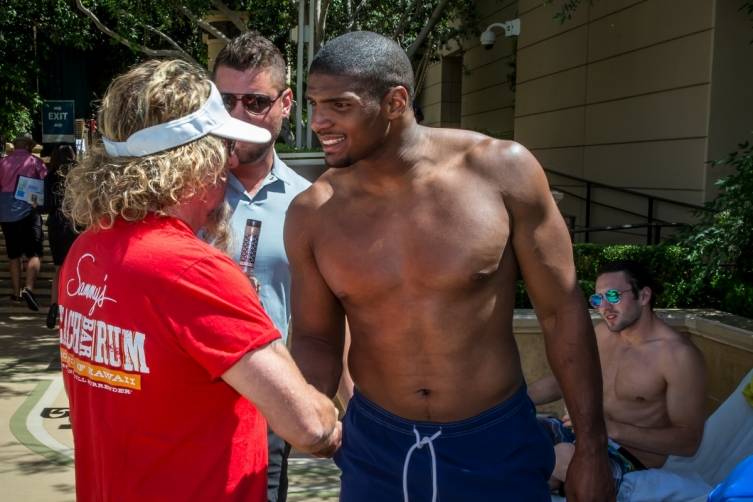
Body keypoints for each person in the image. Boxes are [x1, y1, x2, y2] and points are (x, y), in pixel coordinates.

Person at [286, 31, 613, 502]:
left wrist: (592, 446)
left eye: (339, 105)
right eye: (315, 103)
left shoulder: (503, 171)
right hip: (377, 445)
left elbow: (562, 311)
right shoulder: (313, 212)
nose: (319, 122)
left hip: (495, 441)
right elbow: (317, 337)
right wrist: (310, 407)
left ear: (395, 101)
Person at [59, 59, 340, 502]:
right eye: (222, 151)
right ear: (194, 163)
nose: (229, 166)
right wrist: (334, 415)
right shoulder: (193, 271)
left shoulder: (88, 250)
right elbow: (311, 428)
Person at [212, 31, 315, 502]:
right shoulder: (184, 194)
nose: (236, 116)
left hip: (265, 408)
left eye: (254, 102)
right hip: (185, 402)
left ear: (285, 103)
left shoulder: (309, 203)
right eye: (225, 100)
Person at [530, 260, 707, 493]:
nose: (604, 307)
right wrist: (511, 401)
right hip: (581, 435)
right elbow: (566, 379)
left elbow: (688, 441)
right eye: (597, 299)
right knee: (511, 430)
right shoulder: (603, 333)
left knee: (561, 456)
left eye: (613, 296)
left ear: (643, 296)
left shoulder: (677, 356)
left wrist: (609, 429)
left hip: (629, 458)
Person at [0, 134, 47, 310]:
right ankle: (29, 288)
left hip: (6, 214)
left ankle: (16, 293)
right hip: (29, 211)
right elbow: (44, 183)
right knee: (34, 253)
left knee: (13, 255)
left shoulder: (2, 162)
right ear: (28, 146)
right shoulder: (35, 162)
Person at [43, 144, 78, 328]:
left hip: (56, 223)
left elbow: (45, 206)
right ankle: (71, 309)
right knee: (74, 268)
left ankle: (53, 307)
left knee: (58, 268)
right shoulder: (79, 177)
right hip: (75, 223)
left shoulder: (49, 177)